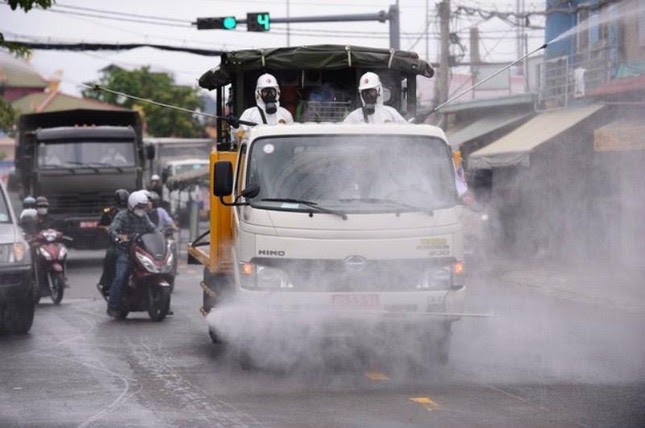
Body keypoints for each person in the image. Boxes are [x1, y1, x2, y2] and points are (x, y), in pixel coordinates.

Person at [106, 190, 156, 317]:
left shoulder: (144, 217)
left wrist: (161, 235)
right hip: (125, 252)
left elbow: (152, 229)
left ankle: (160, 303)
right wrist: (118, 237)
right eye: (139, 207)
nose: (142, 210)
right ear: (132, 206)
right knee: (120, 276)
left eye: (143, 207)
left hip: (142, 251)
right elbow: (112, 229)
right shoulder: (122, 216)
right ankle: (112, 306)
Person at [232, 73, 294, 142]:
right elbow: (238, 139)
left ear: (277, 92)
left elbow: (292, 139)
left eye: (272, 91)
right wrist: (236, 127)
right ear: (258, 93)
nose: (269, 95)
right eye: (265, 92)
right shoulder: (249, 114)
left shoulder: (285, 114)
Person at [96, 189, 129, 298]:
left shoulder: (132, 211)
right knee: (111, 256)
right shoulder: (110, 212)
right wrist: (109, 229)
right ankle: (107, 284)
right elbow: (101, 225)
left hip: (132, 241)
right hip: (116, 242)